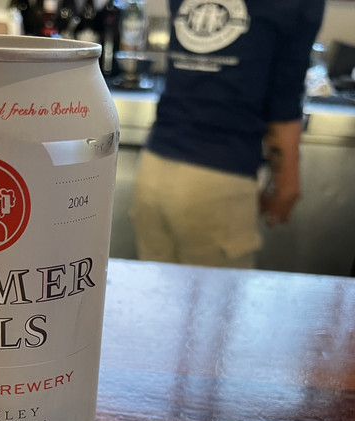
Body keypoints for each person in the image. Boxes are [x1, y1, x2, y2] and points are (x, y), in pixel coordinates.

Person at [131, 0, 326, 268]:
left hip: (153, 170)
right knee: (219, 296)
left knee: (157, 290)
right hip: (219, 183)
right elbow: (283, 103)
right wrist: (287, 183)